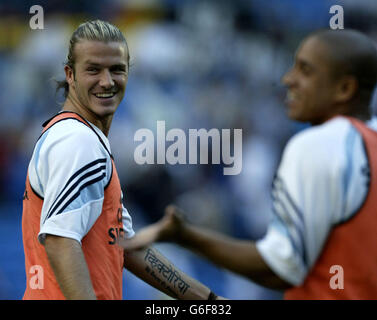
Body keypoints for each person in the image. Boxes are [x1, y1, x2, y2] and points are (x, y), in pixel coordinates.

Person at [120, 29, 377, 299]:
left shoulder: (315, 143)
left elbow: (280, 269)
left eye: (306, 71)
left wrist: (186, 236)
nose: (289, 79)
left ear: (345, 88)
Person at [22, 20, 222, 300]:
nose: (107, 81)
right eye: (93, 69)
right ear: (70, 74)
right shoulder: (78, 141)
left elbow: (125, 243)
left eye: (117, 69)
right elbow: (60, 241)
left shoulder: (82, 138)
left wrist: (210, 302)